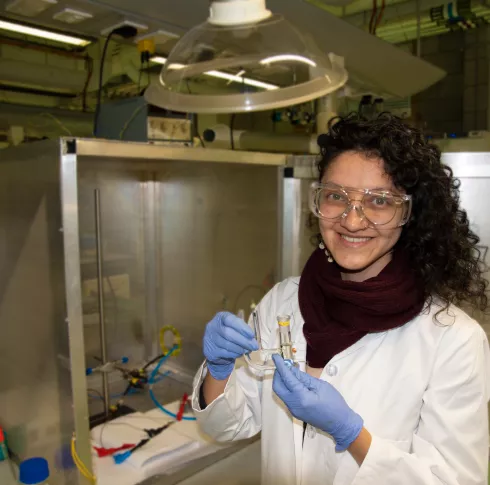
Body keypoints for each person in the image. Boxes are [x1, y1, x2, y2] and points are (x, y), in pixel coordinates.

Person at [191, 114, 490, 485]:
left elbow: (458, 480)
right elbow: (227, 426)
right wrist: (218, 373)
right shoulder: (283, 301)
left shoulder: (452, 339)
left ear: (409, 214)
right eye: (336, 197)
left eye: (379, 201)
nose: (352, 220)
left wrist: (352, 435)